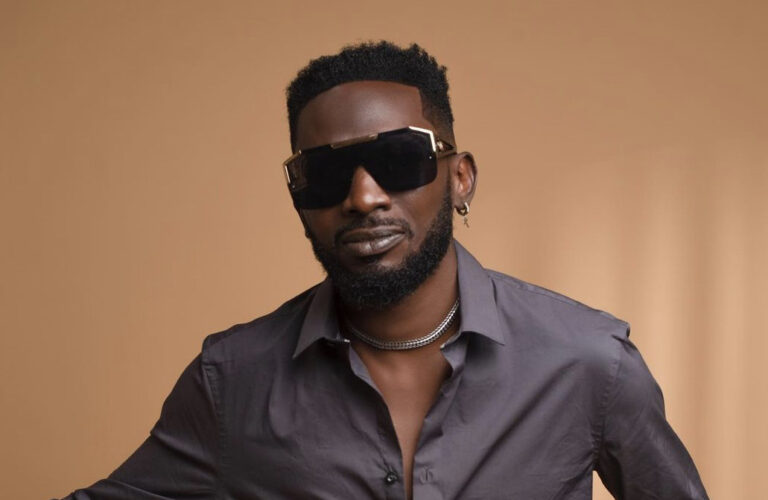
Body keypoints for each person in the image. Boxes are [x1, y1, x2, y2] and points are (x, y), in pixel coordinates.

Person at [61, 41, 708, 500]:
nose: (364, 196)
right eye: (326, 173)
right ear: (299, 198)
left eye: (397, 160)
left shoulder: (590, 364)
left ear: (460, 178)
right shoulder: (232, 380)